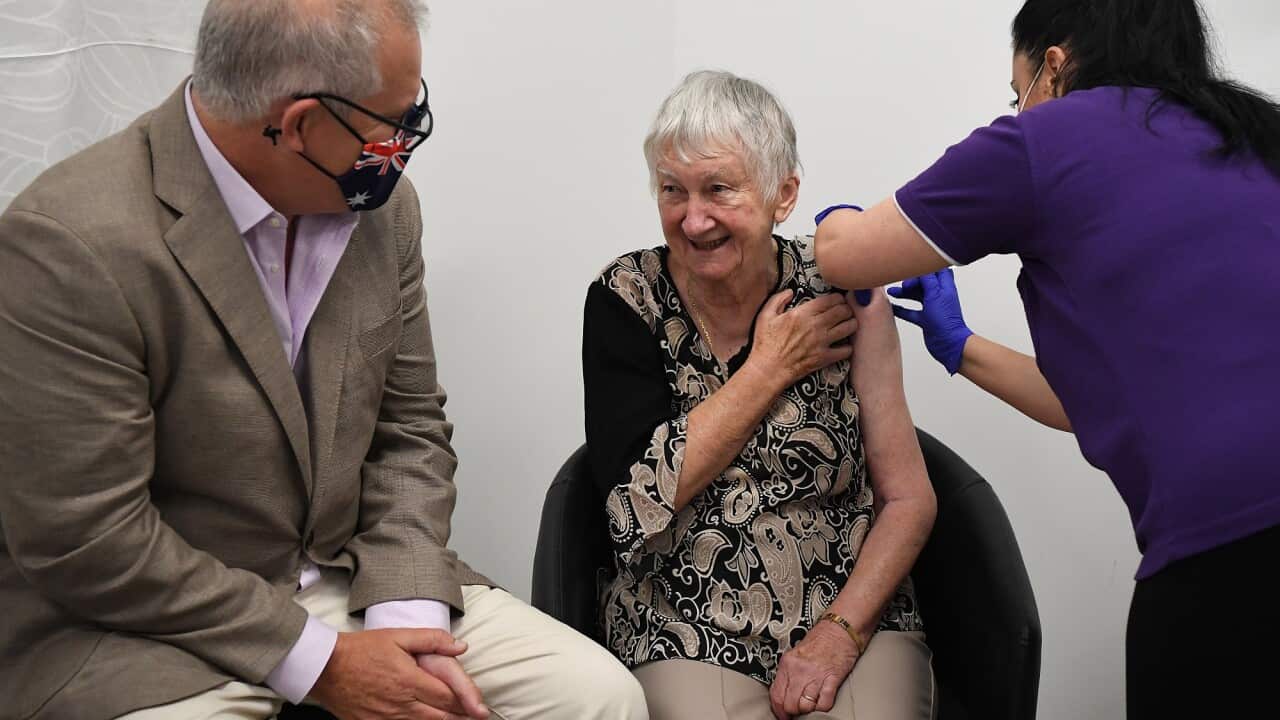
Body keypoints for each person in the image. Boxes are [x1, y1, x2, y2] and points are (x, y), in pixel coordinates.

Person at [0, 2, 646, 719]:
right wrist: (323, 662)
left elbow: (409, 434)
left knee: (598, 697)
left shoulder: (383, 212)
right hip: (151, 627)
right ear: (302, 123)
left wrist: (409, 626)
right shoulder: (69, 243)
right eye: (392, 123)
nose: (402, 145)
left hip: (350, 574)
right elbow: (91, 540)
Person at [810, 0, 1280, 716]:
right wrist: (960, 347)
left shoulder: (1050, 136)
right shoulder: (1251, 135)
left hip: (1230, 560)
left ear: (1053, 67)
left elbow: (846, 254)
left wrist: (835, 221)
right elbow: (1090, 406)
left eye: (1016, 90)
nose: (1017, 109)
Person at [583, 70, 938, 720]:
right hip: (682, 623)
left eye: (719, 189)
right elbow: (628, 511)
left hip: (847, 612)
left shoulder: (845, 289)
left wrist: (840, 633)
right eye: (672, 190)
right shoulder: (627, 297)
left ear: (783, 193)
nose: (693, 219)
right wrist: (768, 368)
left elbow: (911, 499)